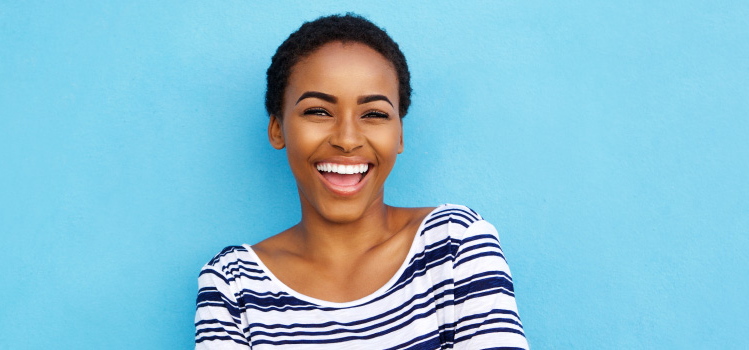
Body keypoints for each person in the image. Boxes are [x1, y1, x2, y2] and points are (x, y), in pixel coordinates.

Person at [195, 13, 528, 349]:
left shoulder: (454, 245)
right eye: (318, 111)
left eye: (374, 114)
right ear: (278, 129)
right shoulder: (233, 285)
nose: (347, 139)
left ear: (399, 135)